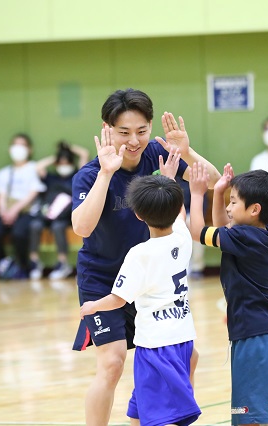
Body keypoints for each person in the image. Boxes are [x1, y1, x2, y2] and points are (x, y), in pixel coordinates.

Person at [71, 88, 220, 426]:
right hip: (104, 279)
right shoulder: (90, 174)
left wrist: (186, 150)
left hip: (151, 280)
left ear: (151, 125)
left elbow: (210, 180)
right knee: (112, 363)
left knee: (187, 355)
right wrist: (107, 173)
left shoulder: (158, 154)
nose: (134, 140)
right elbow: (81, 227)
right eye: (124, 132)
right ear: (107, 128)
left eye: (141, 130)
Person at [80, 169, 200, 426]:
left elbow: (118, 299)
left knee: (162, 418)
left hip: (156, 347)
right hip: (183, 339)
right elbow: (179, 214)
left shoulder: (140, 254)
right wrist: (169, 180)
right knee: (140, 412)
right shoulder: (183, 239)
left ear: (138, 215)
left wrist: (92, 306)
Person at [189, 163, 268, 425]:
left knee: (255, 418)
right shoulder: (264, 232)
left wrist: (198, 193)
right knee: (262, 414)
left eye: (234, 202)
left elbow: (198, 232)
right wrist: (220, 193)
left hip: (254, 336)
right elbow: (226, 229)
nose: (228, 207)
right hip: (264, 332)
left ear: (254, 209)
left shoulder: (246, 237)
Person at [0, 133, 46, 279]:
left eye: (22, 145)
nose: (18, 149)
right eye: (15, 145)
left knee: (19, 234)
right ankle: (4, 263)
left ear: (29, 149)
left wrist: (15, 210)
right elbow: (1, 196)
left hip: (26, 211)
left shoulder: (34, 168)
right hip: (6, 212)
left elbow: (33, 193)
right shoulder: (4, 172)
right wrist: (4, 213)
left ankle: (24, 267)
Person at [29, 141, 88, 280]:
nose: (63, 166)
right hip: (47, 214)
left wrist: (69, 148)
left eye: (66, 162)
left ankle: (63, 263)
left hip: (66, 216)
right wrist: (56, 156)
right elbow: (39, 167)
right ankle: (34, 262)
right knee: (34, 225)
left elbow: (84, 154)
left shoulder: (76, 176)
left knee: (58, 227)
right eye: (60, 163)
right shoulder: (51, 178)